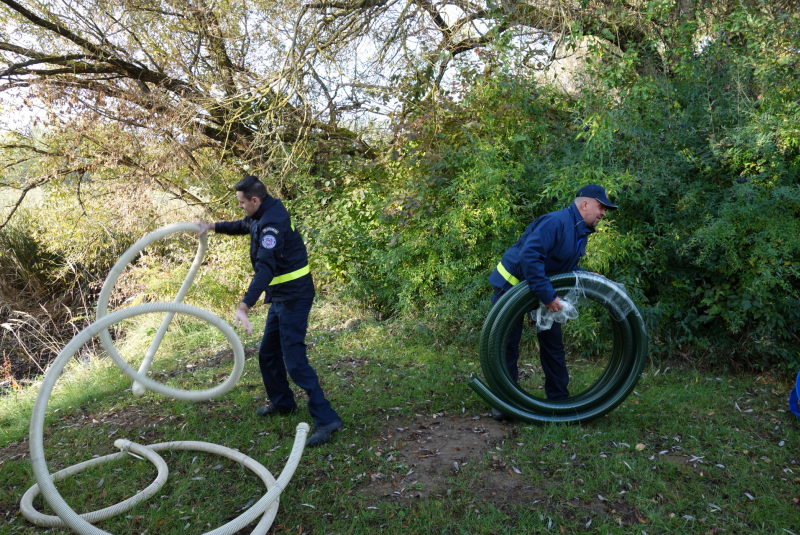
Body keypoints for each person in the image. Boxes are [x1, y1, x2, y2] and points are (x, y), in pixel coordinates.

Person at [195, 176, 343, 446]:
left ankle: (327, 418)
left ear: (254, 200)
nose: (239, 207)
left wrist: (244, 306)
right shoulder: (263, 212)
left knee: (295, 361)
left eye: (242, 203)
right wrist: (212, 226)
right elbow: (243, 225)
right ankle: (283, 403)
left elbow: (266, 268)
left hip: (293, 297)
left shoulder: (272, 224)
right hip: (281, 296)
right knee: (268, 353)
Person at [487, 184, 617, 420]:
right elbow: (530, 257)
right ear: (585, 204)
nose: (604, 214)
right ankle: (505, 403)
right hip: (512, 287)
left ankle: (558, 401)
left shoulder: (580, 231)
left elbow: (562, 266)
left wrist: (587, 275)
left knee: (553, 343)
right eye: (602, 207)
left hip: (539, 288)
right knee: (506, 345)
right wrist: (548, 297)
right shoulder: (556, 222)